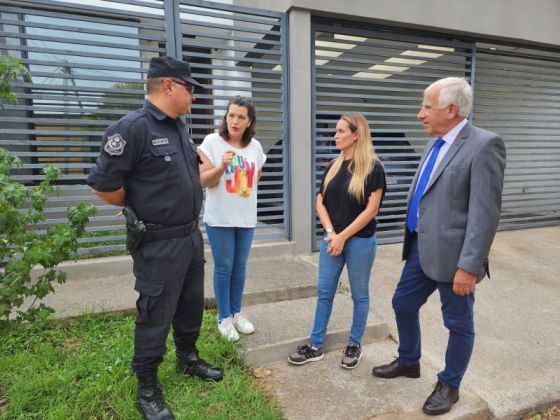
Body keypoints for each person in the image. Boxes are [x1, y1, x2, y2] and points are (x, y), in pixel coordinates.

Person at [87, 56, 224, 420]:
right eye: (191, 89)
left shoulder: (178, 128)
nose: (194, 96)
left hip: (190, 236)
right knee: (155, 313)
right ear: (169, 86)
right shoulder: (132, 128)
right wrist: (134, 203)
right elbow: (103, 186)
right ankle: (147, 384)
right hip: (158, 242)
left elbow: (189, 174)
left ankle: (188, 357)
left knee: (190, 304)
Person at [372, 77, 506, 415]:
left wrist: (469, 266)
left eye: (426, 107)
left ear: (451, 109)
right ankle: (409, 361)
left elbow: (484, 213)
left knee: (458, 324)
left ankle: (450, 384)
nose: (420, 114)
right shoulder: (435, 143)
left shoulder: (484, 144)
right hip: (421, 248)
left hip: (456, 257)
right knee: (402, 304)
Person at [288, 113, 386, 369]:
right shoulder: (332, 166)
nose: (335, 136)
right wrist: (332, 233)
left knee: (359, 294)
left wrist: (343, 236)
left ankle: (354, 344)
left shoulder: (373, 167)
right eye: (336, 131)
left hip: (360, 242)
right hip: (333, 240)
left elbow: (371, 210)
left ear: (356, 135)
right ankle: (315, 346)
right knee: (324, 293)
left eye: (341, 131)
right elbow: (320, 203)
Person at [198, 96, 266, 341]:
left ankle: (237, 312)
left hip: (246, 218)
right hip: (220, 219)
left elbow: (257, 174)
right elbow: (203, 180)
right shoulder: (211, 143)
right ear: (225, 117)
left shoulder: (255, 147)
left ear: (249, 122)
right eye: (231, 115)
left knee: (240, 267)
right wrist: (221, 167)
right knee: (224, 267)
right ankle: (223, 317)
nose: (235, 121)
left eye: (241, 117)